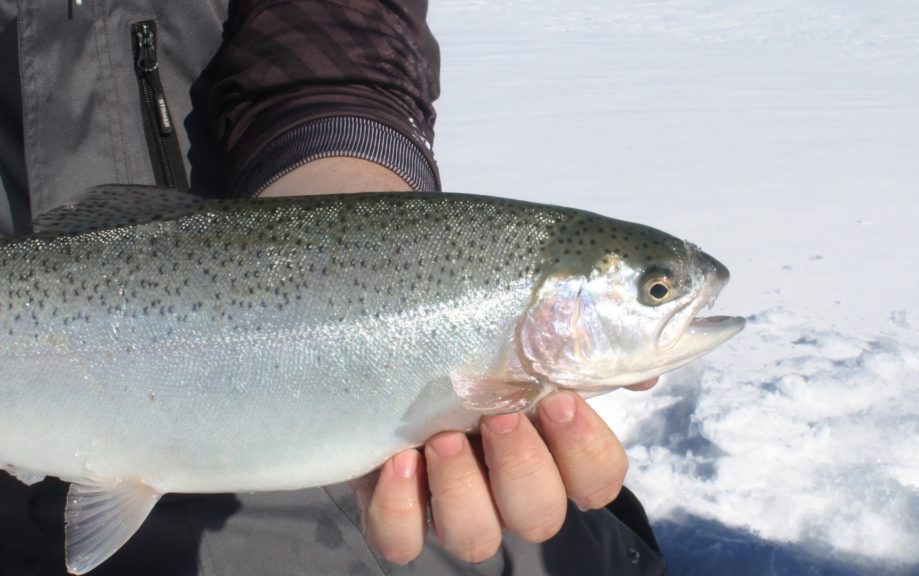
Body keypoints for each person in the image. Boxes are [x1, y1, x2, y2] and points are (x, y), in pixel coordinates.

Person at [0, 1, 666, 574]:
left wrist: (341, 194)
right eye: (656, 291)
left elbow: (333, 36)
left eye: (655, 291)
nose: (670, 304)